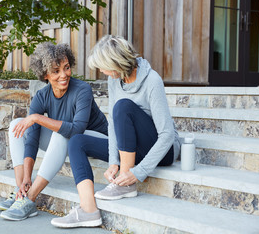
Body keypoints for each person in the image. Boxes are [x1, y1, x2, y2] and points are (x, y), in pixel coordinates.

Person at [51, 35, 180, 228]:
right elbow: (112, 124)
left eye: (103, 66)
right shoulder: (115, 80)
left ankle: (125, 184)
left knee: (123, 107)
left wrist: (137, 173)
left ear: (116, 63)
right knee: (77, 141)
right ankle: (88, 210)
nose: (102, 71)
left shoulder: (152, 80)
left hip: (162, 151)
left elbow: (167, 135)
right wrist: (113, 161)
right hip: (130, 149)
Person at [0, 42, 108, 222]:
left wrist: (37, 118)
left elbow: (77, 129)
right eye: (56, 71)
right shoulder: (42, 96)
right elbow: (32, 139)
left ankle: (30, 198)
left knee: (60, 132)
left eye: (66, 68)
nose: (64, 75)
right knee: (17, 124)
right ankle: (21, 192)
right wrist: (26, 177)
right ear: (45, 74)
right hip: (72, 142)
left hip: (97, 141)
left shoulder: (82, 90)